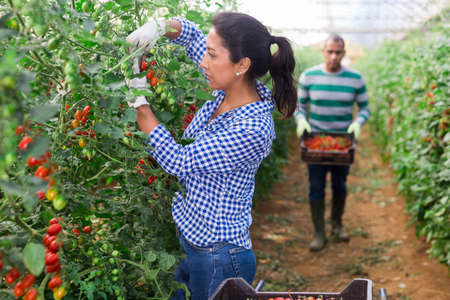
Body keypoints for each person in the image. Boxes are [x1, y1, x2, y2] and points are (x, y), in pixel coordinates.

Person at [125, 12, 297, 299]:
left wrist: (140, 106)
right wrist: (157, 27)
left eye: (212, 55)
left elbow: (179, 162)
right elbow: (191, 35)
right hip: (195, 244)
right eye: (207, 51)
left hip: (220, 257)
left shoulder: (252, 128)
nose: (203, 61)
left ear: (242, 65)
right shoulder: (227, 91)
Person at [295, 34, 370, 252]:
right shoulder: (309, 77)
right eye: (330, 51)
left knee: (340, 186)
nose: (334, 56)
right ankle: (319, 232)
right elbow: (299, 106)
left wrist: (358, 122)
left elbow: (365, 108)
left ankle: (337, 225)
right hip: (316, 143)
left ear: (344, 53)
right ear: (323, 51)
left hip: (342, 144)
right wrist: (301, 121)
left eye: (338, 52)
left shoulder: (355, 78)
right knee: (316, 187)